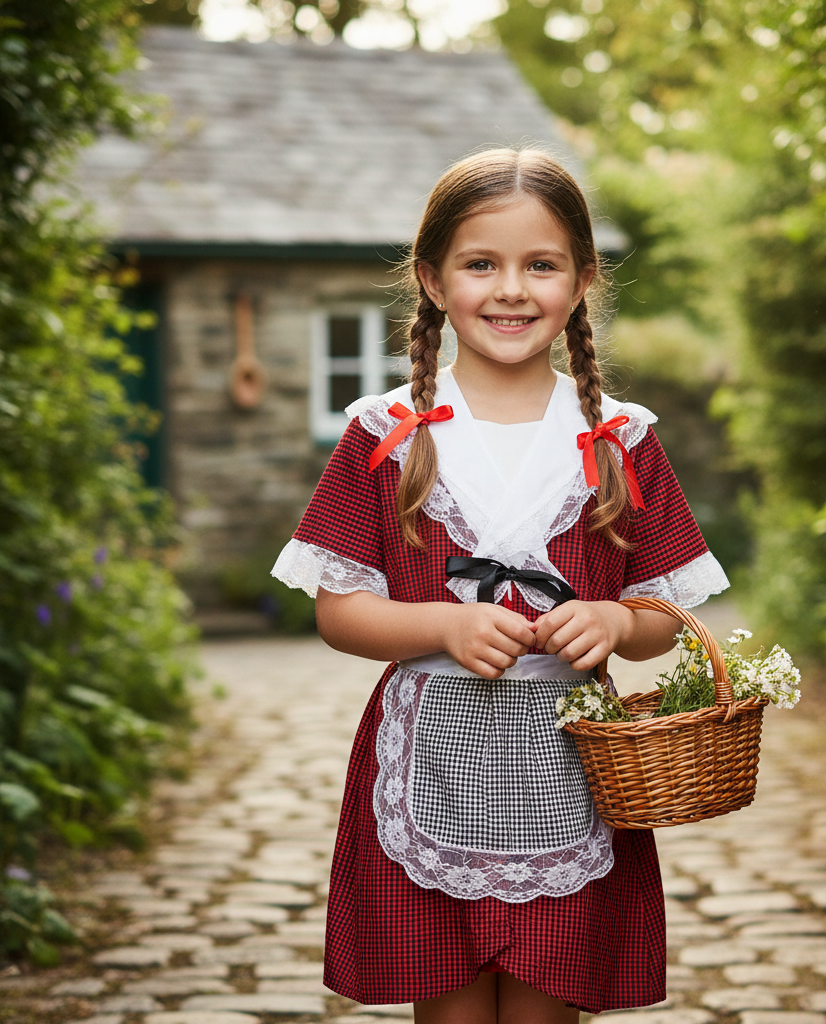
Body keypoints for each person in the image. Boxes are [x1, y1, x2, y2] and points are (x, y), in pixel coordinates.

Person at [271, 148, 729, 1024]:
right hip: (429, 760)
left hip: (573, 767)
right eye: (481, 264)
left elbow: (662, 615)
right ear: (434, 280)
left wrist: (612, 622)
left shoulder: (620, 440)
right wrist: (440, 628)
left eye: (541, 264)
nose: (511, 289)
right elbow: (339, 610)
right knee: (448, 1012)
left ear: (582, 280)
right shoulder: (388, 434)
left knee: (547, 1011)